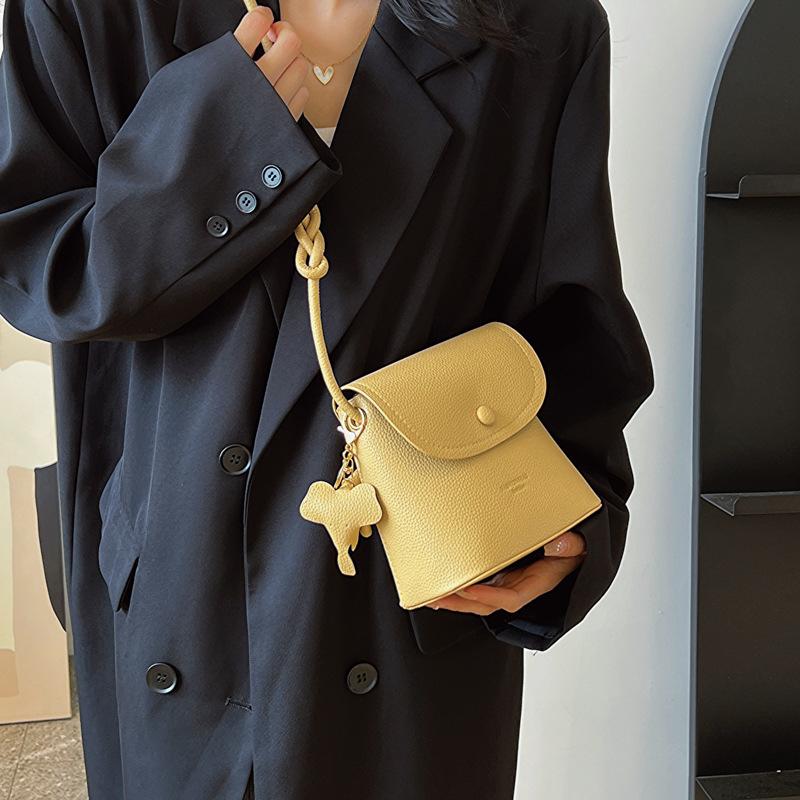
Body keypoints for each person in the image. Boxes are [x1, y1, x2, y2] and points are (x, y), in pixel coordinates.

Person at [0, 0, 655, 796]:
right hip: (179, 587)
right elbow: (39, 261)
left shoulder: (539, 26)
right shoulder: (92, 11)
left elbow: (573, 317)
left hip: (406, 601)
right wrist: (220, 139)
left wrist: (569, 525)